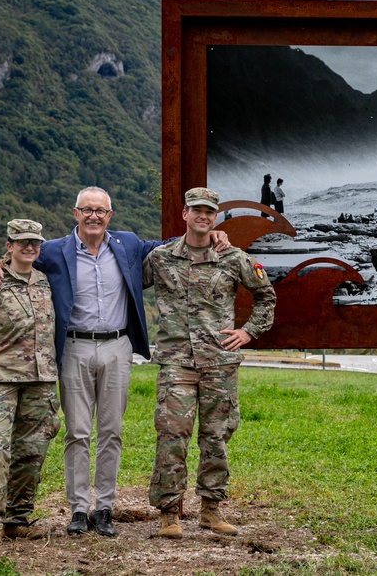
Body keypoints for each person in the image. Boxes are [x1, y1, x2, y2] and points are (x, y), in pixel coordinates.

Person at [0, 186, 229, 537]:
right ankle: (79, 509)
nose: (94, 216)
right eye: (87, 209)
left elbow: (174, 247)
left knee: (111, 431)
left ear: (109, 216)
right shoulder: (53, 251)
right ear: (75, 213)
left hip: (117, 346)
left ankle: (105, 508)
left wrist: (208, 231)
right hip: (75, 347)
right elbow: (19, 257)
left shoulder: (127, 244)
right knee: (77, 431)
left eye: (101, 211)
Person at [144, 187, 277, 539]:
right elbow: (122, 278)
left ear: (215, 217)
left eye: (209, 212)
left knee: (216, 437)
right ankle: (169, 513)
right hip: (176, 362)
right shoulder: (160, 258)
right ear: (184, 214)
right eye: (196, 210)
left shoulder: (233, 258)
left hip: (219, 362)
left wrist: (248, 332)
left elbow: (266, 296)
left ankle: (211, 510)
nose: (203, 216)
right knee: (172, 436)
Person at [0, 220, 60, 547]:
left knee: (31, 454)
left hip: (40, 381)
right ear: (9, 245)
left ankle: (18, 520)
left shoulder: (45, 282)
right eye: (22, 242)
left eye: (34, 242)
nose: (29, 247)